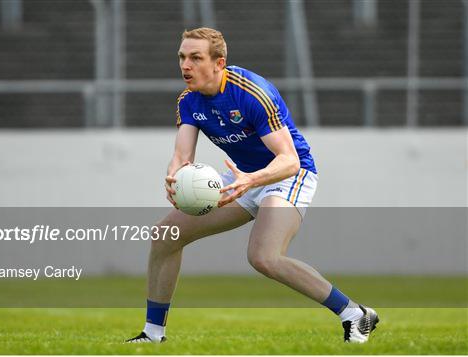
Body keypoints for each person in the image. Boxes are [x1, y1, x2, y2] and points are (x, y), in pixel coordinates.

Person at [126, 27, 378, 344]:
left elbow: (289, 160)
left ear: (219, 62)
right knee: (165, 235)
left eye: (195, 57)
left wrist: (251, 180)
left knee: (264, 257)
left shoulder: (251, 93)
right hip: (244, 177)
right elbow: (181, 155)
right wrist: (175, 177)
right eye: (181, 57)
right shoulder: (189, 101)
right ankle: (153, 334)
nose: (185, 65)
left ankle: (355, 314)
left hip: (288, 176)